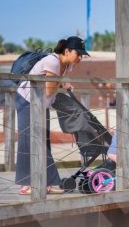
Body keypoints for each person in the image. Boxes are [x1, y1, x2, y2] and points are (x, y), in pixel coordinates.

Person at [16, 36, 89, 195]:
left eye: (82, 55)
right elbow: (49, 89)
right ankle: (26, 185)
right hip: (27, 100)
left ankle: (47, 183)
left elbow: (52, 85)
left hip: (42, 104)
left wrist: (63, 82)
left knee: (44, 141)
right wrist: (61, 82)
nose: (80, 58)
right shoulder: (53, 61)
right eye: (78, 54)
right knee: (28, 140)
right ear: (67, 51)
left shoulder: (67, 66)